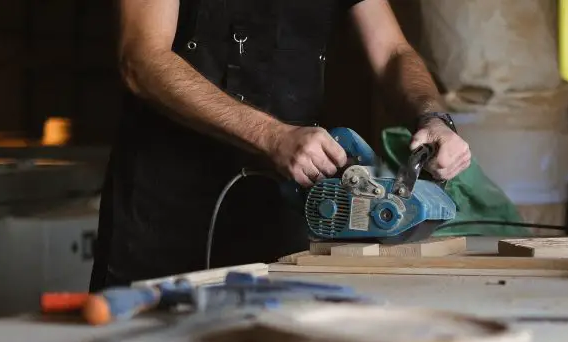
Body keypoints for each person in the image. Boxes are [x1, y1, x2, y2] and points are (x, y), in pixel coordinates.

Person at [90, 0, 472, 290]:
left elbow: (392, 53)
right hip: (163, 208)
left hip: (285, 199)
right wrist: (272, 136)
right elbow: (142, 58)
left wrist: (432, 118)